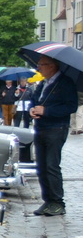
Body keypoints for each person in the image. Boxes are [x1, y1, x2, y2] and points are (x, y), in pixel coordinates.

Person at [29, 56, 77, 215]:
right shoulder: (43, 82)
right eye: (38, 64)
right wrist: (32, 110)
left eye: (42, 64)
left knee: (51, 165)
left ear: (52, 66)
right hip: (41, 127)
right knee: (41, 166)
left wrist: (46, 111)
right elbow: (34, 100)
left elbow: (71, 107)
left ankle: (57, 202)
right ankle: (48, 200)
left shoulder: (65, 82)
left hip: (56, 128)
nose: (39, 68)